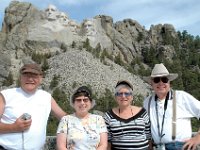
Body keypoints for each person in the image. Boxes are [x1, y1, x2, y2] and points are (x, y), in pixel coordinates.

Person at [0, 63, 66, 150]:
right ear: (20, 77)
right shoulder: (6, 95)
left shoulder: (46, 97)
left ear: (40, 78)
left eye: (34, 75)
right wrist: (13, 127)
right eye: (26, 75)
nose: (30, 79)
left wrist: (86, 121)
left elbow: (65, 118)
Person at [143, 63, 200, 150]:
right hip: (156, 147)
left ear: (170, 83)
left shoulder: (181, 97)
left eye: (165, 79)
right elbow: (146, 126)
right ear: (151, 84)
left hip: (180, 147)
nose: (161, 83)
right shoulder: (147, 102)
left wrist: (197, 138)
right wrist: (149, 144)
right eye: (157, 80)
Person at [104, 80, 152, 150]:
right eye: (120, 94)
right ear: (115, 97)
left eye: (127, 93)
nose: (123, 96)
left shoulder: (142, 112)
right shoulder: (108, 116)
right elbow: (108, 142)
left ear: (132, 97)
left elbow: (149, 137)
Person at [56, 86, 108, 150]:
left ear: (91, 103)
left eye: (85, 100)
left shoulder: (99, 119)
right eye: (78, 100)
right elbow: (61, 146)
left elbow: (103, 145)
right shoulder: (66, 120)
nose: (82, 103)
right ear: (73, 103)